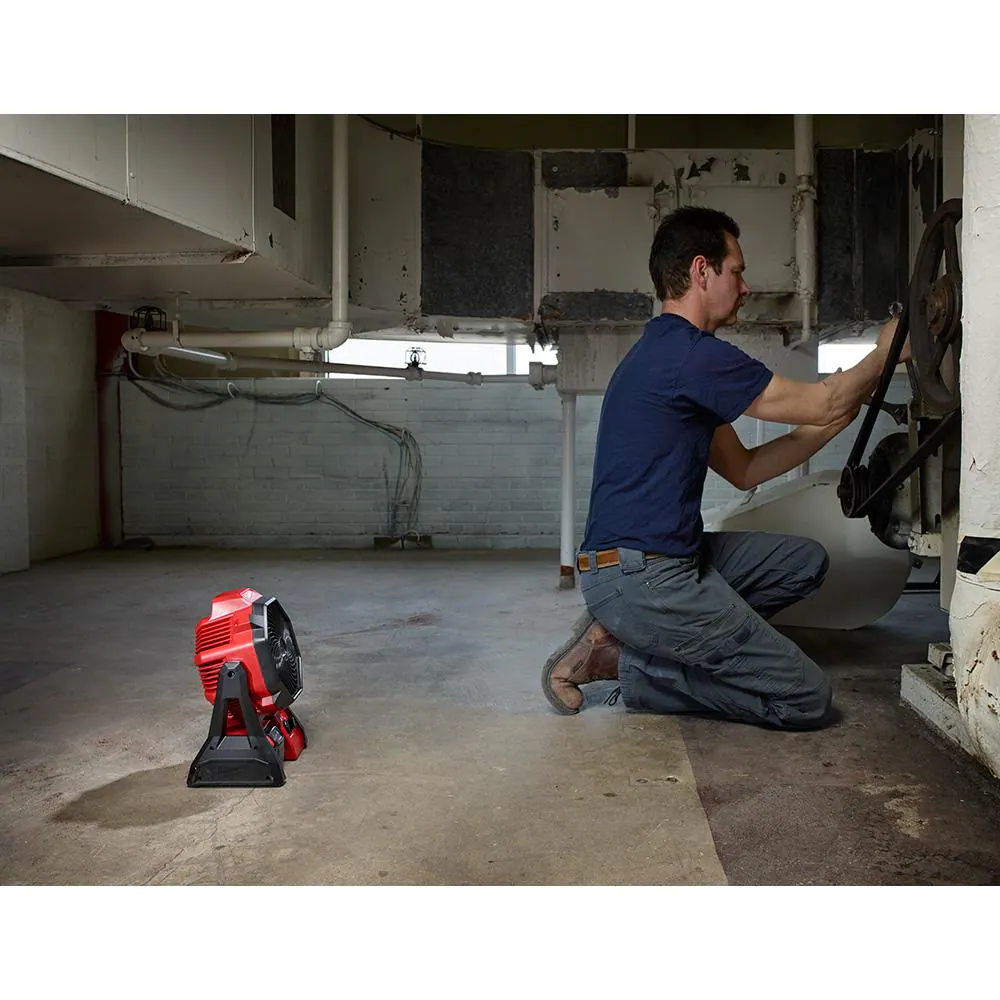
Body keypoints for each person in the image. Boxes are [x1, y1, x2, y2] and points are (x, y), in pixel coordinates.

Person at [541, 205, 908, 729]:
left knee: (803, 563)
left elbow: (745, 469)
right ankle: (624, 663)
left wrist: (837, 417)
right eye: (736, 271)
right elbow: (823, 400)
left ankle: (639, 634)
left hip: (657, 562)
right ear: (701, 270)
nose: (745, 286)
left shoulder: (667, 356)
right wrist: (886, 352)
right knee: (804, 698)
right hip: (642, 577)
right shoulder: (690, 356)